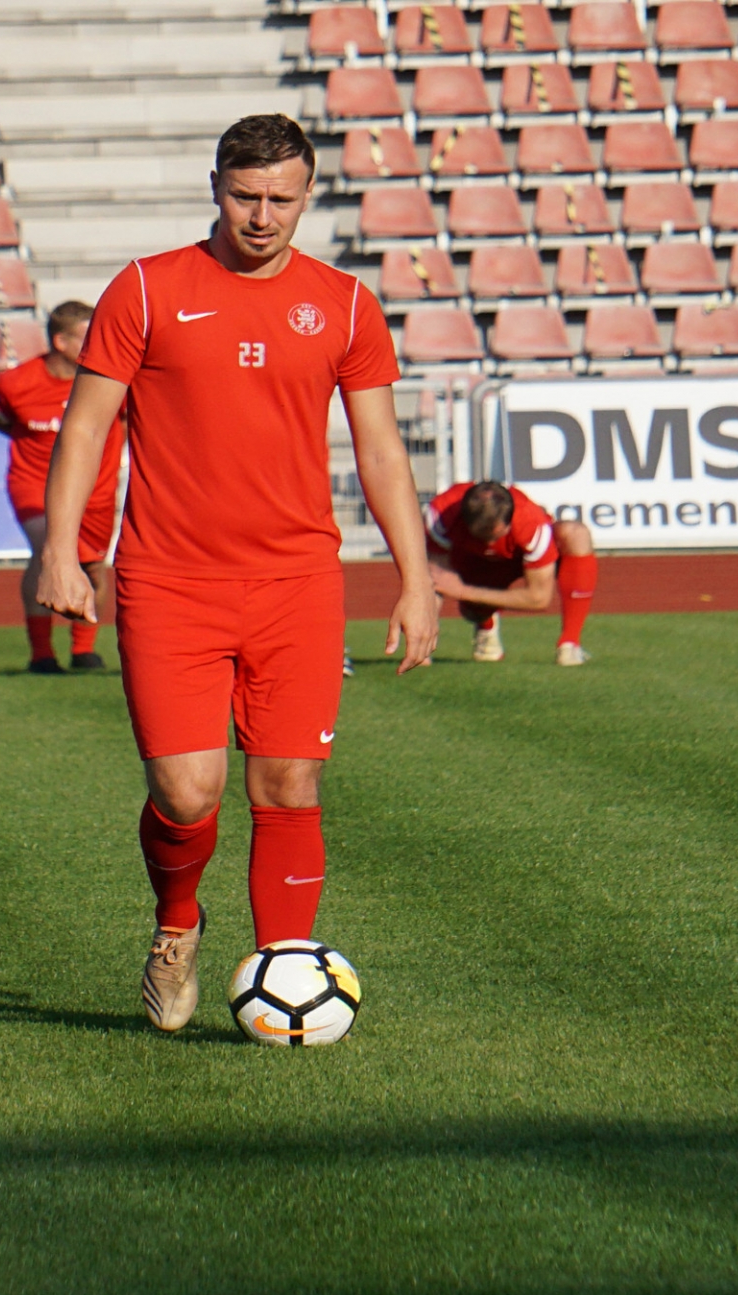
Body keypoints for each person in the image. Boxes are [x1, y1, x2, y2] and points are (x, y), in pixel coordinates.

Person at [35, 113, 439, 1033]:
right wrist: (62, 549)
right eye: (245, 196)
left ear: (308, 197)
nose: (262, 217)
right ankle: (177, 923)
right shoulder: (146, 289)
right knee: (187, 793)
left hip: (298, 583)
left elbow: (381, 450)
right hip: (169, 580)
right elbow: (87, 426)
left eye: (281, 200)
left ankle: (283, 975)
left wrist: (417, 581)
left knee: (289, 784)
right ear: (214, 187)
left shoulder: (344, 304)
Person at [0, 300, 127, 673]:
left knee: (93, 567)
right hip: (34, 483)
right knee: (47, 549)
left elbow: (126, 420)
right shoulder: (14, 384)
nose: (99, 343)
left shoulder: (112, 380)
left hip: (96, 490)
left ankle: (83, 649)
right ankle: (42, 653)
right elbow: (1, 419)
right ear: (61, 341)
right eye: (88, 336)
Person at [424, 481, 598, 666]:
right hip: (468, 561)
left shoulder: (529, 522)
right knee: (473, 612)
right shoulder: (441, 514)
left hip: (516, 561)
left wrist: (462, 591)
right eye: (482, 537)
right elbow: (434, 580)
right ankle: (486, 623)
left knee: (575, 534)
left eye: (495, 536)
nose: (490, 544)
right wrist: (422, 646)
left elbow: (539, 598)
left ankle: (569, 644)